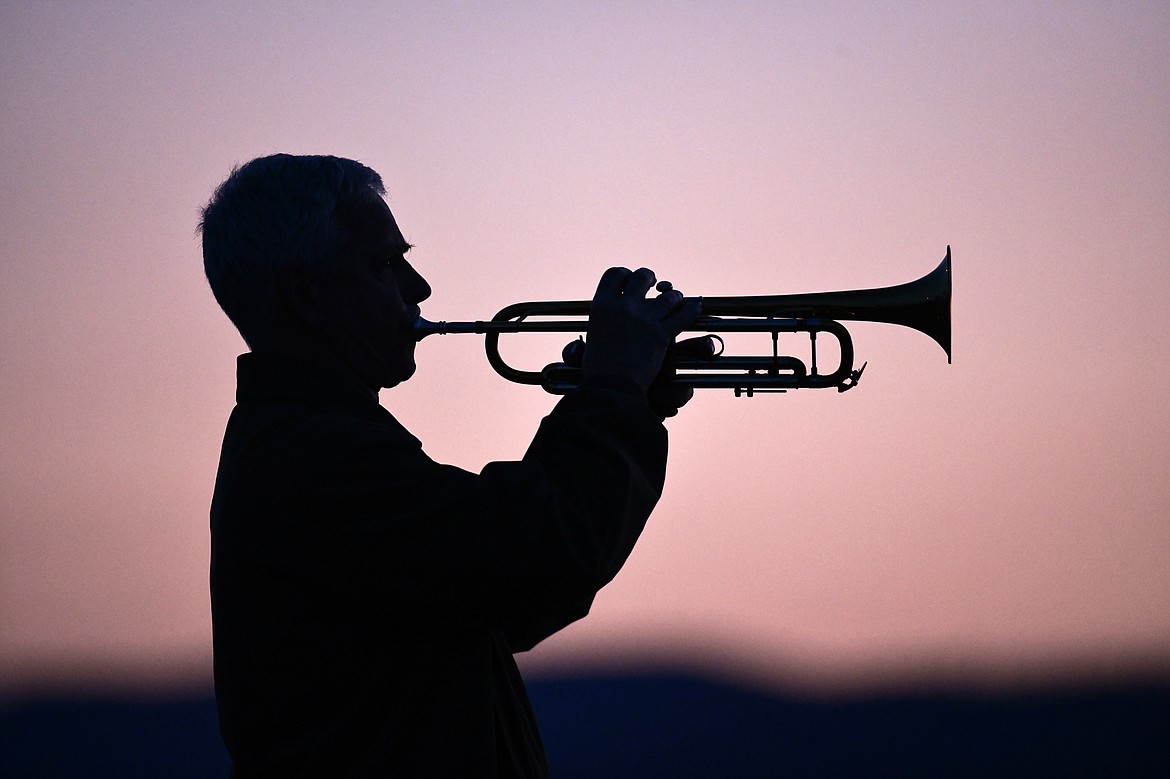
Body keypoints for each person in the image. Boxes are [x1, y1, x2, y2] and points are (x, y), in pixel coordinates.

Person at [199, 154, 703, 777]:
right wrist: (614, 394)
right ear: (309, 294)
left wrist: (626, 400)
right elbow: (540, 559)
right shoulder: (313, 459)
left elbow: (500, 595)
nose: (420, 289)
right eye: (387, 264)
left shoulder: (309, 443)